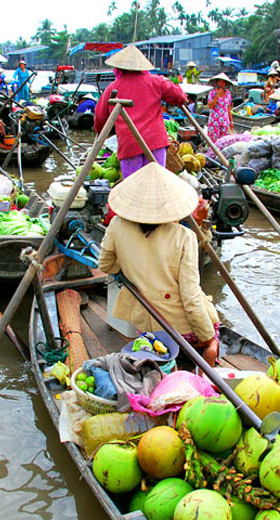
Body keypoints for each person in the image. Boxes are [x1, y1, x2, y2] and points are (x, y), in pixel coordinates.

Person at [98, 163, 220, 366]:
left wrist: (129, 266)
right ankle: (208, 356)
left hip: (147, 324)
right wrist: (208, 338)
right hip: (181, 329)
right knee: (212, 332)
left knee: (159, 334)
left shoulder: (117, 225)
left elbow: (105, 264)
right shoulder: (184, 236)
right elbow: (190, 297)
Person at [94, 45, 186, 178]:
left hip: (129, 144)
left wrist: (99, 132)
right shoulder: (156, 82)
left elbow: (100, 119)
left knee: (133, 188)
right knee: (156, 185)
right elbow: (180, 97)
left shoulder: (112, 88)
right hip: (155, 143)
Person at [206, 72, 234, 143]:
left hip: (224, 122)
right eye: (220, 82)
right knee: (213, 143)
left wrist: (231, 121)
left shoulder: (228, 94)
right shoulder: (212, 92)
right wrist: (217, 95)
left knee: (224, 142)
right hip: (214, 122)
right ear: (217, 82)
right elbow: (210, 105)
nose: (221, 84)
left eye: (223, 82)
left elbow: (228, 108)